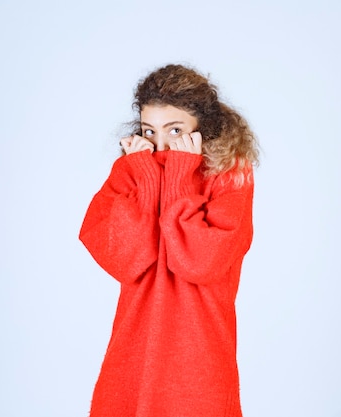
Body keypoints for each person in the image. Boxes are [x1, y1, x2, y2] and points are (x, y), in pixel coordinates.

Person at [79, 64, 259, 417]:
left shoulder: (228, 174)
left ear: (202, 129)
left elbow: (198, 262)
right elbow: (126, 259)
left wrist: (178, 176)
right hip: (134, 350)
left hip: (198, 355)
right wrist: (145, 178)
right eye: (150, 130)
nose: (161, 144)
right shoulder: (134, 169)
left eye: (175, 130)